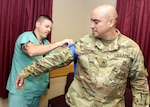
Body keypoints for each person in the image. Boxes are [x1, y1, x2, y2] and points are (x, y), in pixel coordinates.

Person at [16, 5, 149, 107]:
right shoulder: (84, 43)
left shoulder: (131, 49)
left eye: (96, 22)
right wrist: (26, 72)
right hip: (78, 103)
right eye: (91, 21)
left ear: (111, 22)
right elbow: (55, 60)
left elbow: (140, 86)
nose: (91, 26)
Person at [6, 15, 73, 107]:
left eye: (50, 28)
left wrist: (71, 52)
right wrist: (58, 44)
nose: (49, 30)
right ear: (38, 24)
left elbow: (54, 61)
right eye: (47, 26)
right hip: (21, 91)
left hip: (36, 92)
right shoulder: (26, 36)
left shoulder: (47, 44)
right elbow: (31, 51)